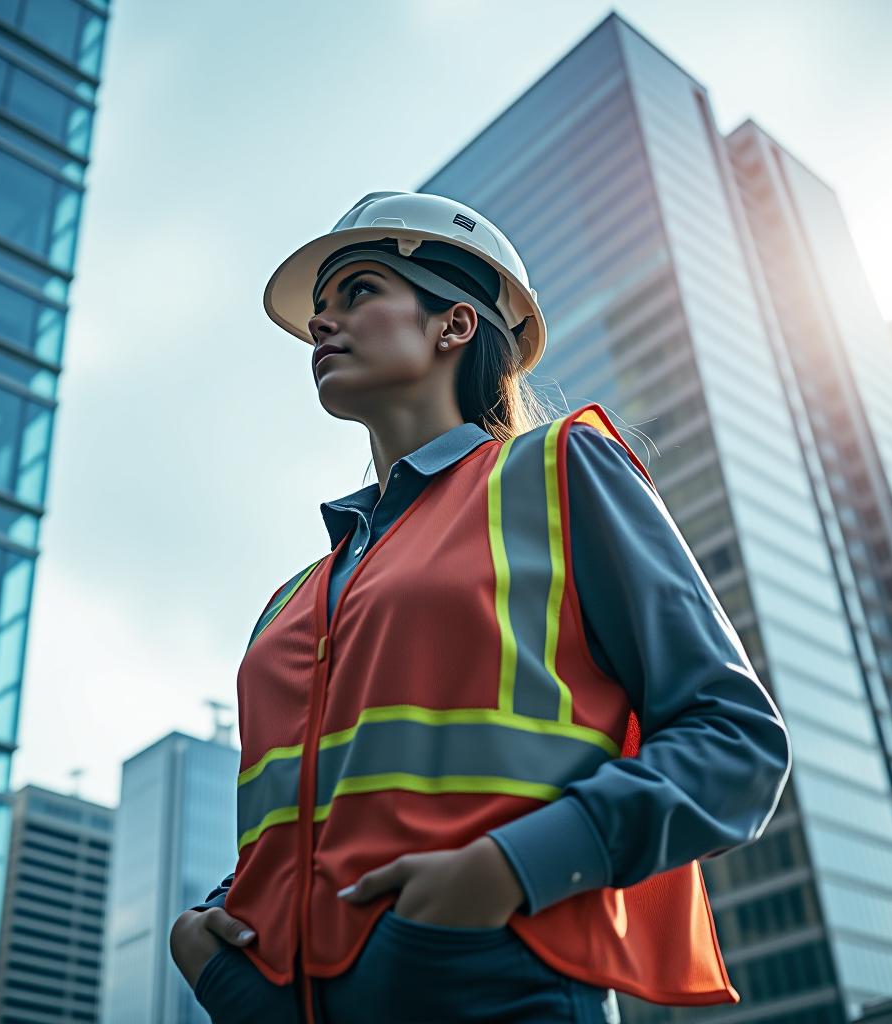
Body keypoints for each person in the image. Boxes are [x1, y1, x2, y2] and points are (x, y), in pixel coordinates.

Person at [169, 191, 792, 1024]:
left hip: (492, 984)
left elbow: (736, 746)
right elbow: (303, 823)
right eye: (318, 309)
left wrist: (497, 873)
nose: (322, 323)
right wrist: (205, 939)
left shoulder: (559, 471)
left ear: (453, 325)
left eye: (357, 292)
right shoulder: (290, 602)